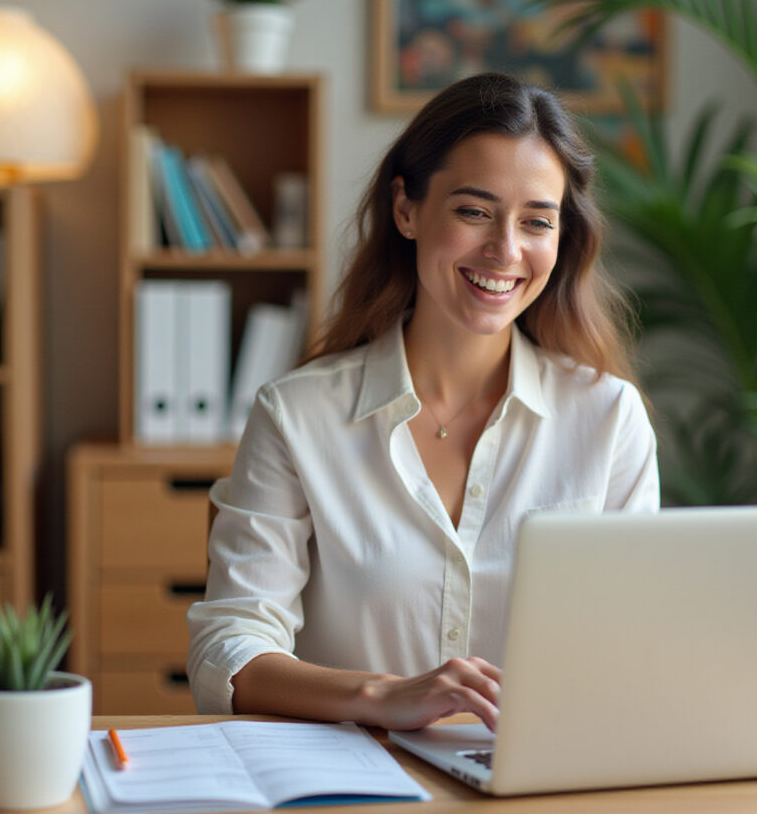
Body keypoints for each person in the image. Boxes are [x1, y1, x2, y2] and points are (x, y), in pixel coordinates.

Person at [185, 71, 660, 732]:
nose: (506, 249)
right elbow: (227, 651)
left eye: (537, 221)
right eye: (474, 211)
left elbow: (636, 649)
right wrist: (383, 696)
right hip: (355, 789)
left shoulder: (608, 419)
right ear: (406, 209)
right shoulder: (296, 417)